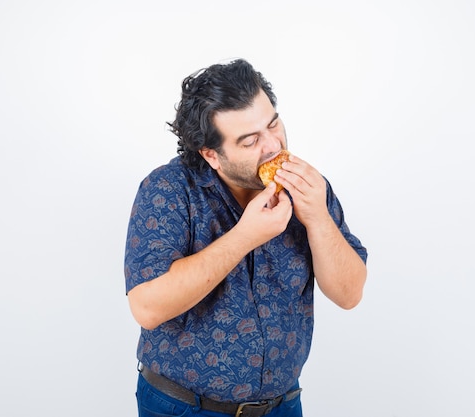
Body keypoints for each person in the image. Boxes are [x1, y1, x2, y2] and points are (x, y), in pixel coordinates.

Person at [124, 58, 368, 417]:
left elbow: (350, 294)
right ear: (212, 155)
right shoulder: (169, 189)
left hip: (283, 405)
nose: (273, 146)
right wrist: (244, 237)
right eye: (250, 140)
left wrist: (317, 216)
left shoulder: (308, 186)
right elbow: (147, 308)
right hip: (185, 408)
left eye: (273, 124)